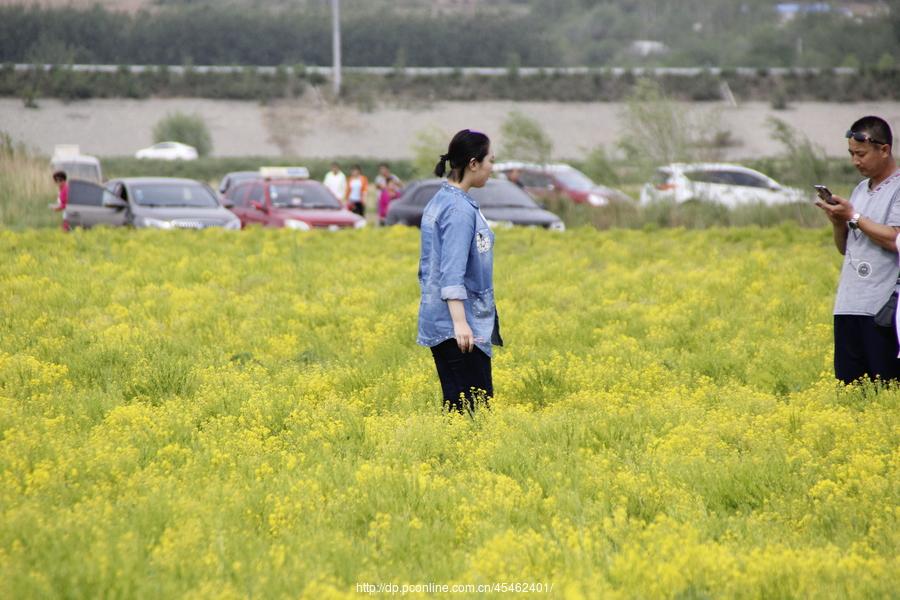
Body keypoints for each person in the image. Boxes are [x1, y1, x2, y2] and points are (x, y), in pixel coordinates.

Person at [417, 129, 503, 413]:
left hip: (443, 321)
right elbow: (451, 271)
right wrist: (460, 324)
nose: (493, 168)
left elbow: (428, 267)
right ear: (473, 163)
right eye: (490, 160)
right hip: (459, 327)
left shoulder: (442, 200)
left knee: (458, 407)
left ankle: (447, 455)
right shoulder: (457, 210)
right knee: (474, 409)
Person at [816, 116, 900, 384]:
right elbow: (845, 248)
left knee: (885, 387)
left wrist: (853, 216)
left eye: (861, 154)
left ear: (884, 149)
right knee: (850, 389)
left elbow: (895, 239)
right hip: (849, 305)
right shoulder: (860, 190)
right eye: (852, 154)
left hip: (883, 310)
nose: (855, 161)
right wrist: (839, 223)